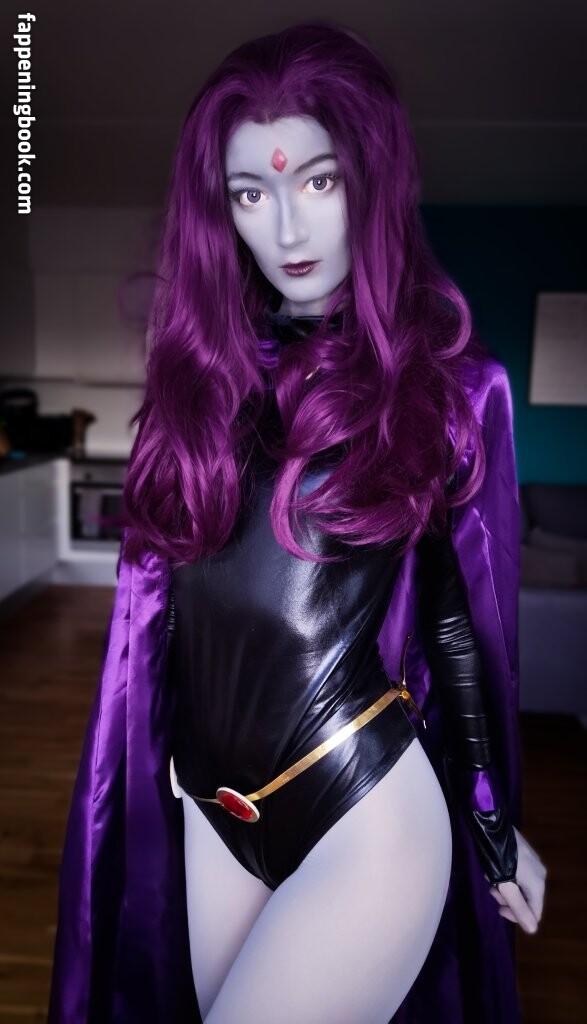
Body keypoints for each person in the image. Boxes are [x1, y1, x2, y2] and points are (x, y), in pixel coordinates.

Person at [48, 20, 546, 1024]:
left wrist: (490, 817)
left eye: (317, 181)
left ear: (368, 179)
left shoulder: (444, 386)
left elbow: (455, 620)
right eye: (250, 193)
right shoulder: (201, 382)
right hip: (212, 807)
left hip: (360, 805)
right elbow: (162, 614)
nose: (285, 229)